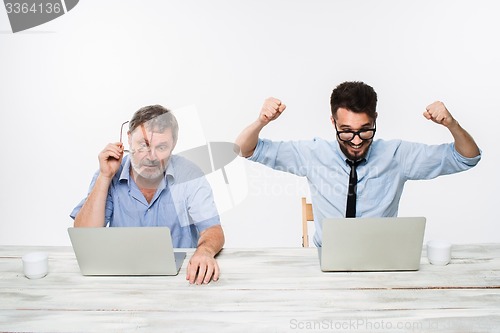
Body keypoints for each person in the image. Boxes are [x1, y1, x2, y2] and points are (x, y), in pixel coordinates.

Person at [235, 81, 481, 247]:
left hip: (382, 261)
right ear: (332, 122)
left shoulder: (397, 155)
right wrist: (261, 122)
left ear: (375, 120)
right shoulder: (313, 153)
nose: (355, 141)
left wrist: (452, 124)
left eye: (365, 131)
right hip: (326, 261)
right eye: (346, 131)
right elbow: (245, 149)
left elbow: (467, 157)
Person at [71, 105, 225, 284]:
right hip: (120, 277)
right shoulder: (107, 173)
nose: (151, 157)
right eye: (143, 145)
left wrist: (204, 252)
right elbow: (85, 236)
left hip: (181, 278)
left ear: (173, 144)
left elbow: (213, 230)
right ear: (129, 139)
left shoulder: (190, 174)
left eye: (161, 147)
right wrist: (105, 176)